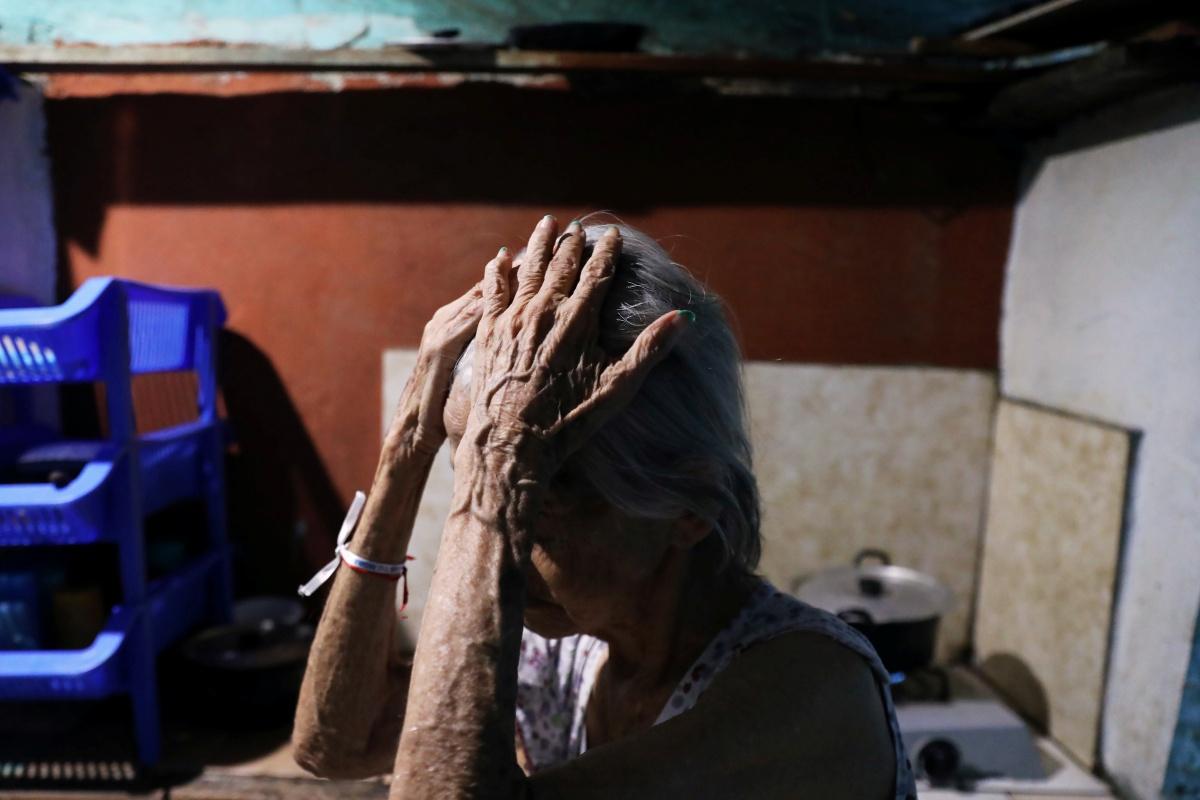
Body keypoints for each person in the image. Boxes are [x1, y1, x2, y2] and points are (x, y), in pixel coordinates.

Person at [293, 216, 916, 799]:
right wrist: (406, 445)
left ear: (689, 502)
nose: (502, 550)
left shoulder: (805, 692)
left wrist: (503, 461)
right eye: (480, 478)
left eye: (542, 496)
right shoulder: (569, 649)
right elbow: (336, 744)